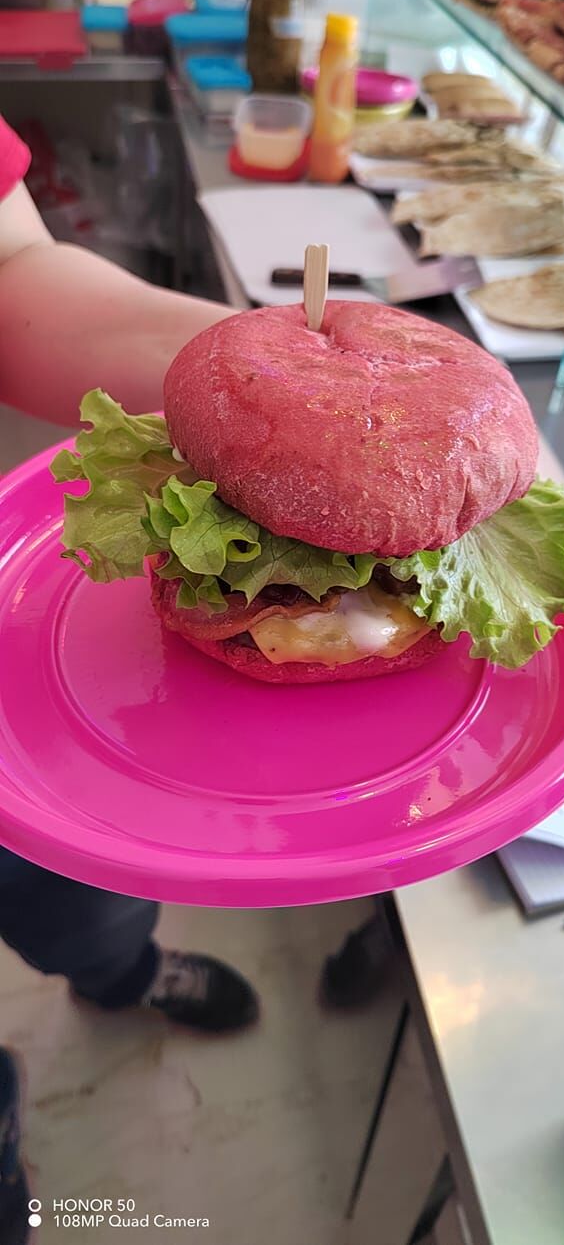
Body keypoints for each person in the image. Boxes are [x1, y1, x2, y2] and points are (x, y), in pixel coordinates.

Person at [0, 115, 259, 1243]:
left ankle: (120, 974)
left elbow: (12, 269)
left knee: (80, 884)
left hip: (8, 649)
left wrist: (268, 371)